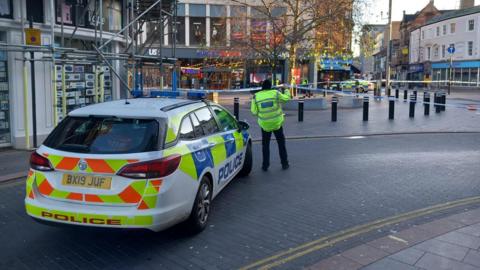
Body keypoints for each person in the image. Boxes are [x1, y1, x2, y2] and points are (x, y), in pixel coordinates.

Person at [251, 79, 291, 171]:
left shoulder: (256, 96)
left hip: (265, 125)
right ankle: (284, 163)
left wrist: (261, 113)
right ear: (270, 86)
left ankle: (265, 165)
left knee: (265, 145)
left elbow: (254, 112)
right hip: (277, 124)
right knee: (281, 144)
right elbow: (286, 98)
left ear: (262, 87)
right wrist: (286, 89)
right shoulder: (275, 93)